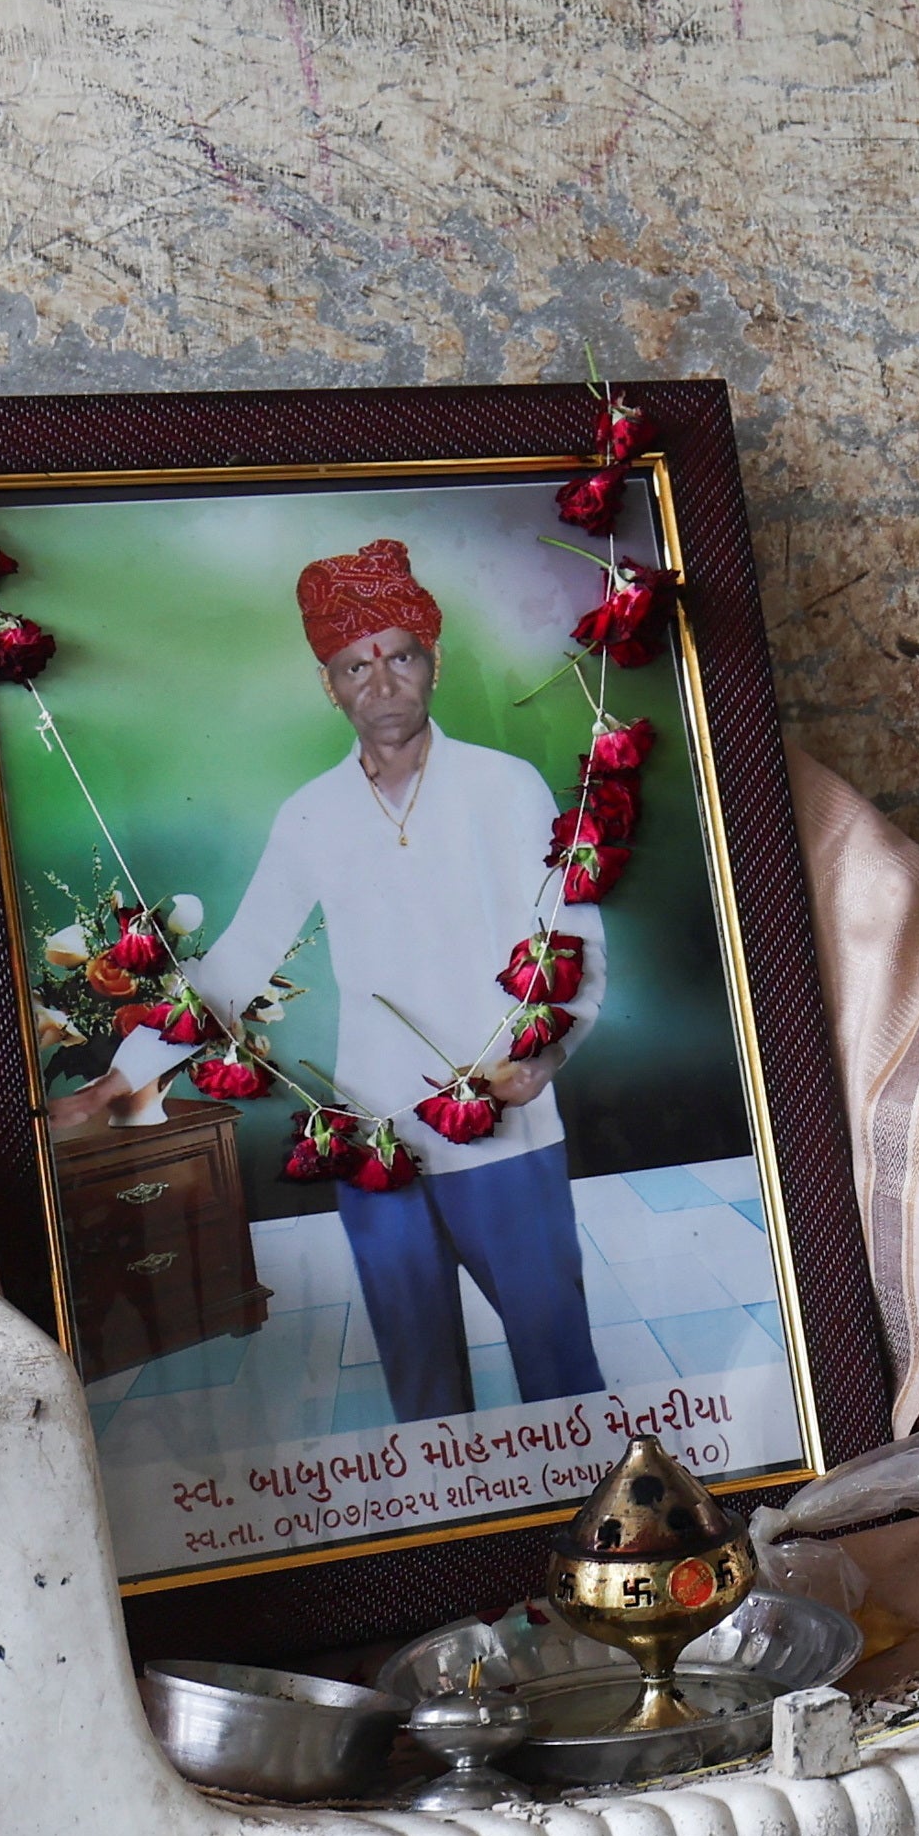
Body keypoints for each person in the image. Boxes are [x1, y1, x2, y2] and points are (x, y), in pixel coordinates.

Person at [65, 537, 611, 1423]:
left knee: (558, 1363)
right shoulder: (312, 812)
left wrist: (539, 1060)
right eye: (355, 664)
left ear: (434, 662)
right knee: (422, 1384)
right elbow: (238, 961)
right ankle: (457, 1547)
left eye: (400, 655)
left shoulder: (506, 788)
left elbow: (573, 940)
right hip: (373, 1137)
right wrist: (122, 1077)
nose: (381, 680)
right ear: (330, 684)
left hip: (504, 1126)